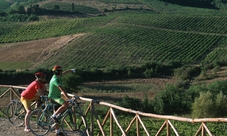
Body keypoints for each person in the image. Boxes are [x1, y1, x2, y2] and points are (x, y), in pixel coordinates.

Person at [48, 65, 75, 136]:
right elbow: (62, 90)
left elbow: (65, 73)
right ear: (59, 72)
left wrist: (71, 70)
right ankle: (53, 116)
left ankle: (58, 131)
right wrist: (69, 99)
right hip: (54, 97)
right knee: (65, 104)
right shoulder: (56, 80)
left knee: (58, 115)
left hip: (55, 96)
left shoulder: (57, 76)